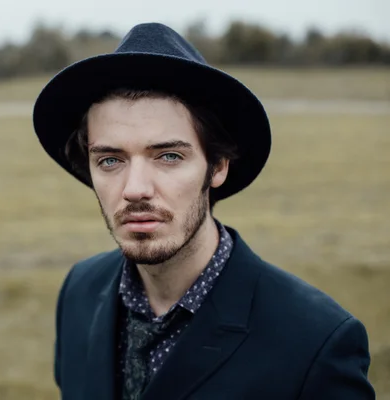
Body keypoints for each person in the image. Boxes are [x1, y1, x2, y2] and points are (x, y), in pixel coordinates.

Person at [31, 22, 375, 400]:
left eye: (169, 156)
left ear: (218, 166)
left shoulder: (316, 341)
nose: (134, 189)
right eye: (111, 160)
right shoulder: (80, 290)